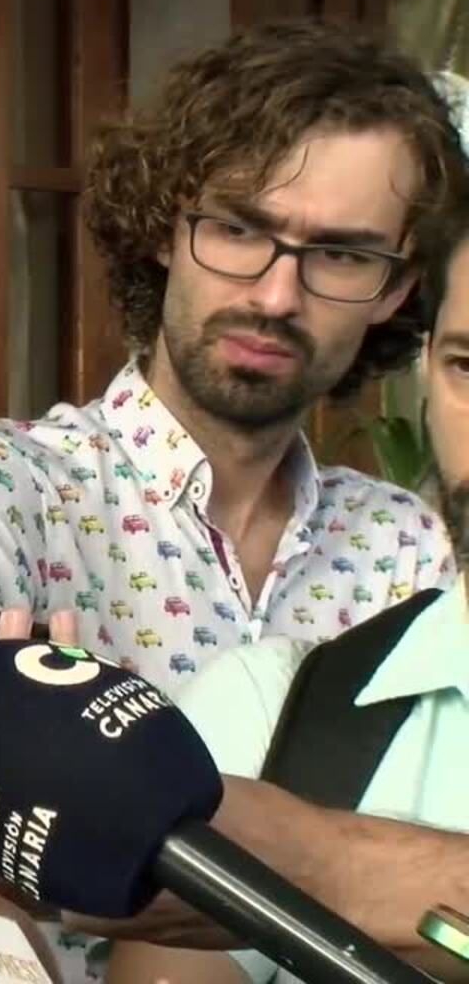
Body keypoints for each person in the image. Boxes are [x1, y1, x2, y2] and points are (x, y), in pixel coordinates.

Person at [0, 19, 467, 978]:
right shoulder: (1, 489)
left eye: (341, 255)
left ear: (398, 290)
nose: (276, 296)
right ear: (163, 226)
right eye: (239, 229)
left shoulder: (408, 544)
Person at [102, 196, 469, 984]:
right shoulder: (270, 713)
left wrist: (343, 871)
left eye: (341, 251)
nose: (277, 294)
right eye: (468, 368)